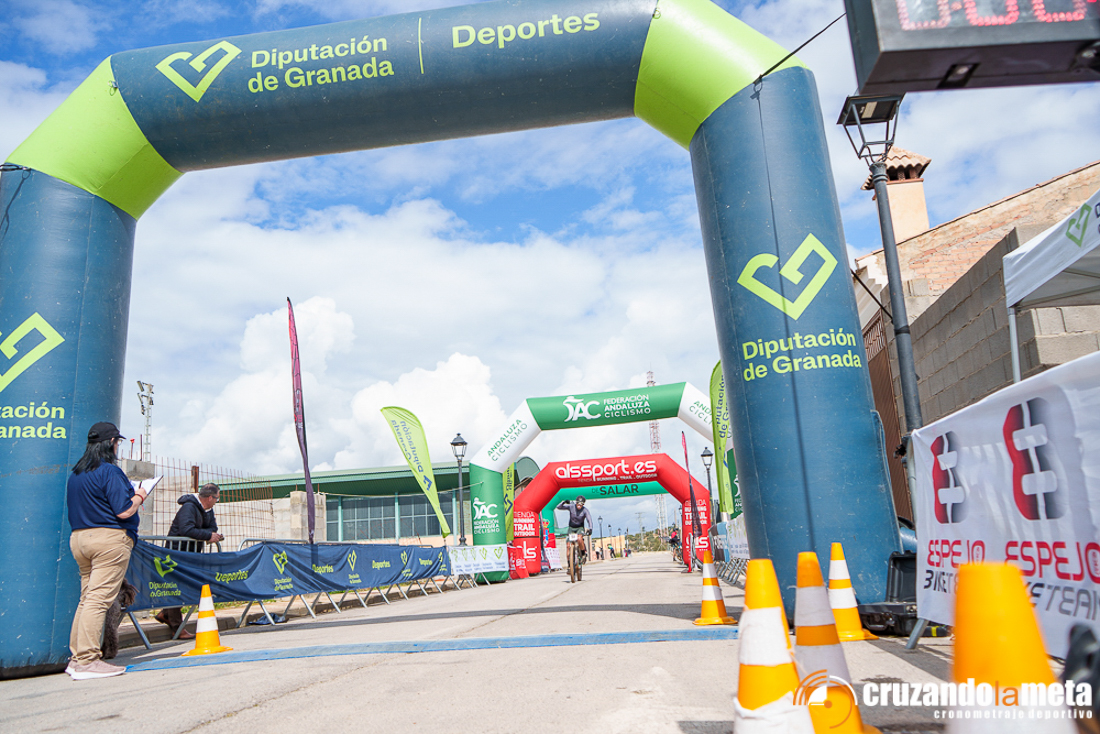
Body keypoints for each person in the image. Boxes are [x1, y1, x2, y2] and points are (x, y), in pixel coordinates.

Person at [66, 422, 147, 680]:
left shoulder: (76, 474)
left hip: (80, 538)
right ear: (111, 442)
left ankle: (76, 659)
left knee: (87, 599)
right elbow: (124, 510)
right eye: (117, 443)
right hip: (108, 540)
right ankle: (88, 660)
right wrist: (140, 495)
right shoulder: (110, 471)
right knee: (99, 600)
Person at [156, 483, 224, 637]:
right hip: (177, 553)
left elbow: (213, 528)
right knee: (176, 587)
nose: (216, 502)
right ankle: (177, 626)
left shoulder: (208, 510)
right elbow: (186, 529)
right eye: (217, 498)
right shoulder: (189, 507)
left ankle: (166, 614)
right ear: (209, 498)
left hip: (190, 554)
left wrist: (209, 534)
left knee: (185, 586)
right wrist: (207, 535)